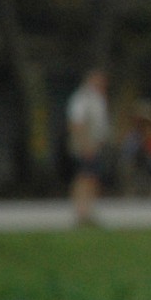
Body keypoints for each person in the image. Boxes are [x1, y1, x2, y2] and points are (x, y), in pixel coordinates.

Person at [64, 68, 110, 227]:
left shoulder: (98, 98)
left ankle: (89, 211)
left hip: (95, 143)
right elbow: (76, 123)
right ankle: (81, 212)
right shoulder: (82, 98)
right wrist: (85, 144)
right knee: (84, 177)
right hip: (85, 143)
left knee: (92, 178)